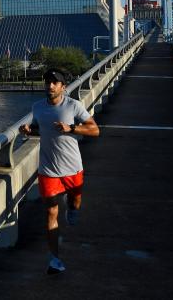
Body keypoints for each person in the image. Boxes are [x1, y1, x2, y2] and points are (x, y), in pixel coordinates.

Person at [19, 68, 100, 275]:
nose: (50, 85)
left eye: (55, 82)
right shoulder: (37, 107)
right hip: (48, 169)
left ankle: (72, 208)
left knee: (75, 202)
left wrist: (71, 129)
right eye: (47, 81)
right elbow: (41, 128)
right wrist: (29, 130)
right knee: (51, 212)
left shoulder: (73, 106)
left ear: (63, 87)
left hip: (72, 168)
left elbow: (94, 130)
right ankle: (54, 259)